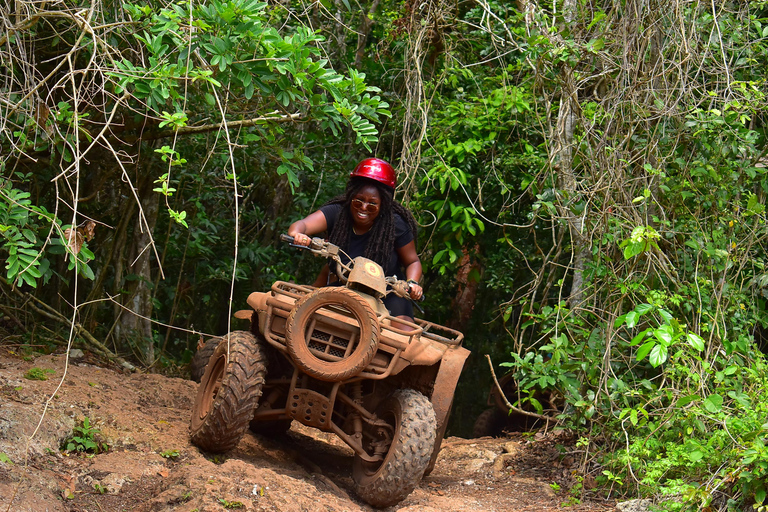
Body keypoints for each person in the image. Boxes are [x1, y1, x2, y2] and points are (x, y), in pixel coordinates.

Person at [287, 157, 423, 325]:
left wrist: (412, 283)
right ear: (351, 196)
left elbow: (413, 261)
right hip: (344, 288)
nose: (364, 207)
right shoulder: (337, 212)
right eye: (359, 200)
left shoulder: (396, 224)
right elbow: (301, 225)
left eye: (372, 204)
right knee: (307, 320)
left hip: (387, 294)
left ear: (384, 204)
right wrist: (299, 235)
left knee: (404, 335)